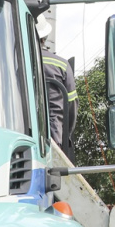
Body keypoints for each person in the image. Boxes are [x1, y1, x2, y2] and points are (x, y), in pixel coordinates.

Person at [37, 16, 78, 162]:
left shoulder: (15, 62)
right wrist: (66, 134)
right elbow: (71, 105)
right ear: (45, 38)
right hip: (55, 137)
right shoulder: (62, 64)